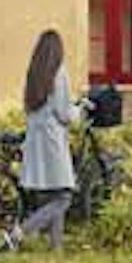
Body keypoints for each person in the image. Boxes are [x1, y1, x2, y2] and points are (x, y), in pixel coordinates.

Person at [17, 27, 83, 248]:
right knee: (64, 198)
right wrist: (79, 110)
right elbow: (64, 114)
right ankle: (20, 231)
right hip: (52, 141)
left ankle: (57, 249)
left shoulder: (34, 72)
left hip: (36, 140)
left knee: (54, 194)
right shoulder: (59, 72)